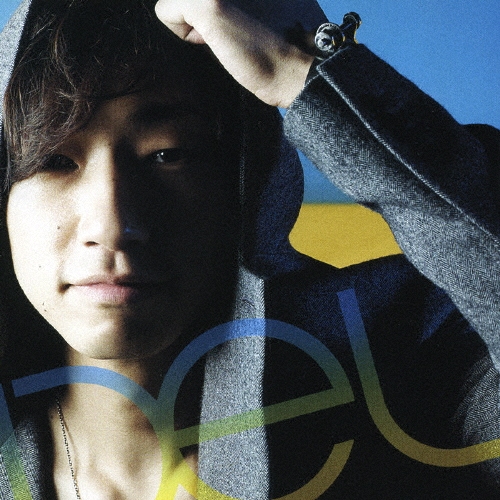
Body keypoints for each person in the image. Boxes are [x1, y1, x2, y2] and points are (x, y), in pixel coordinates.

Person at [0, 0, 499, 498]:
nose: (112, 226)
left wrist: (308, 69)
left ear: (248, 184)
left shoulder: (395, 372)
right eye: (53, 160)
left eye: (167, 154)